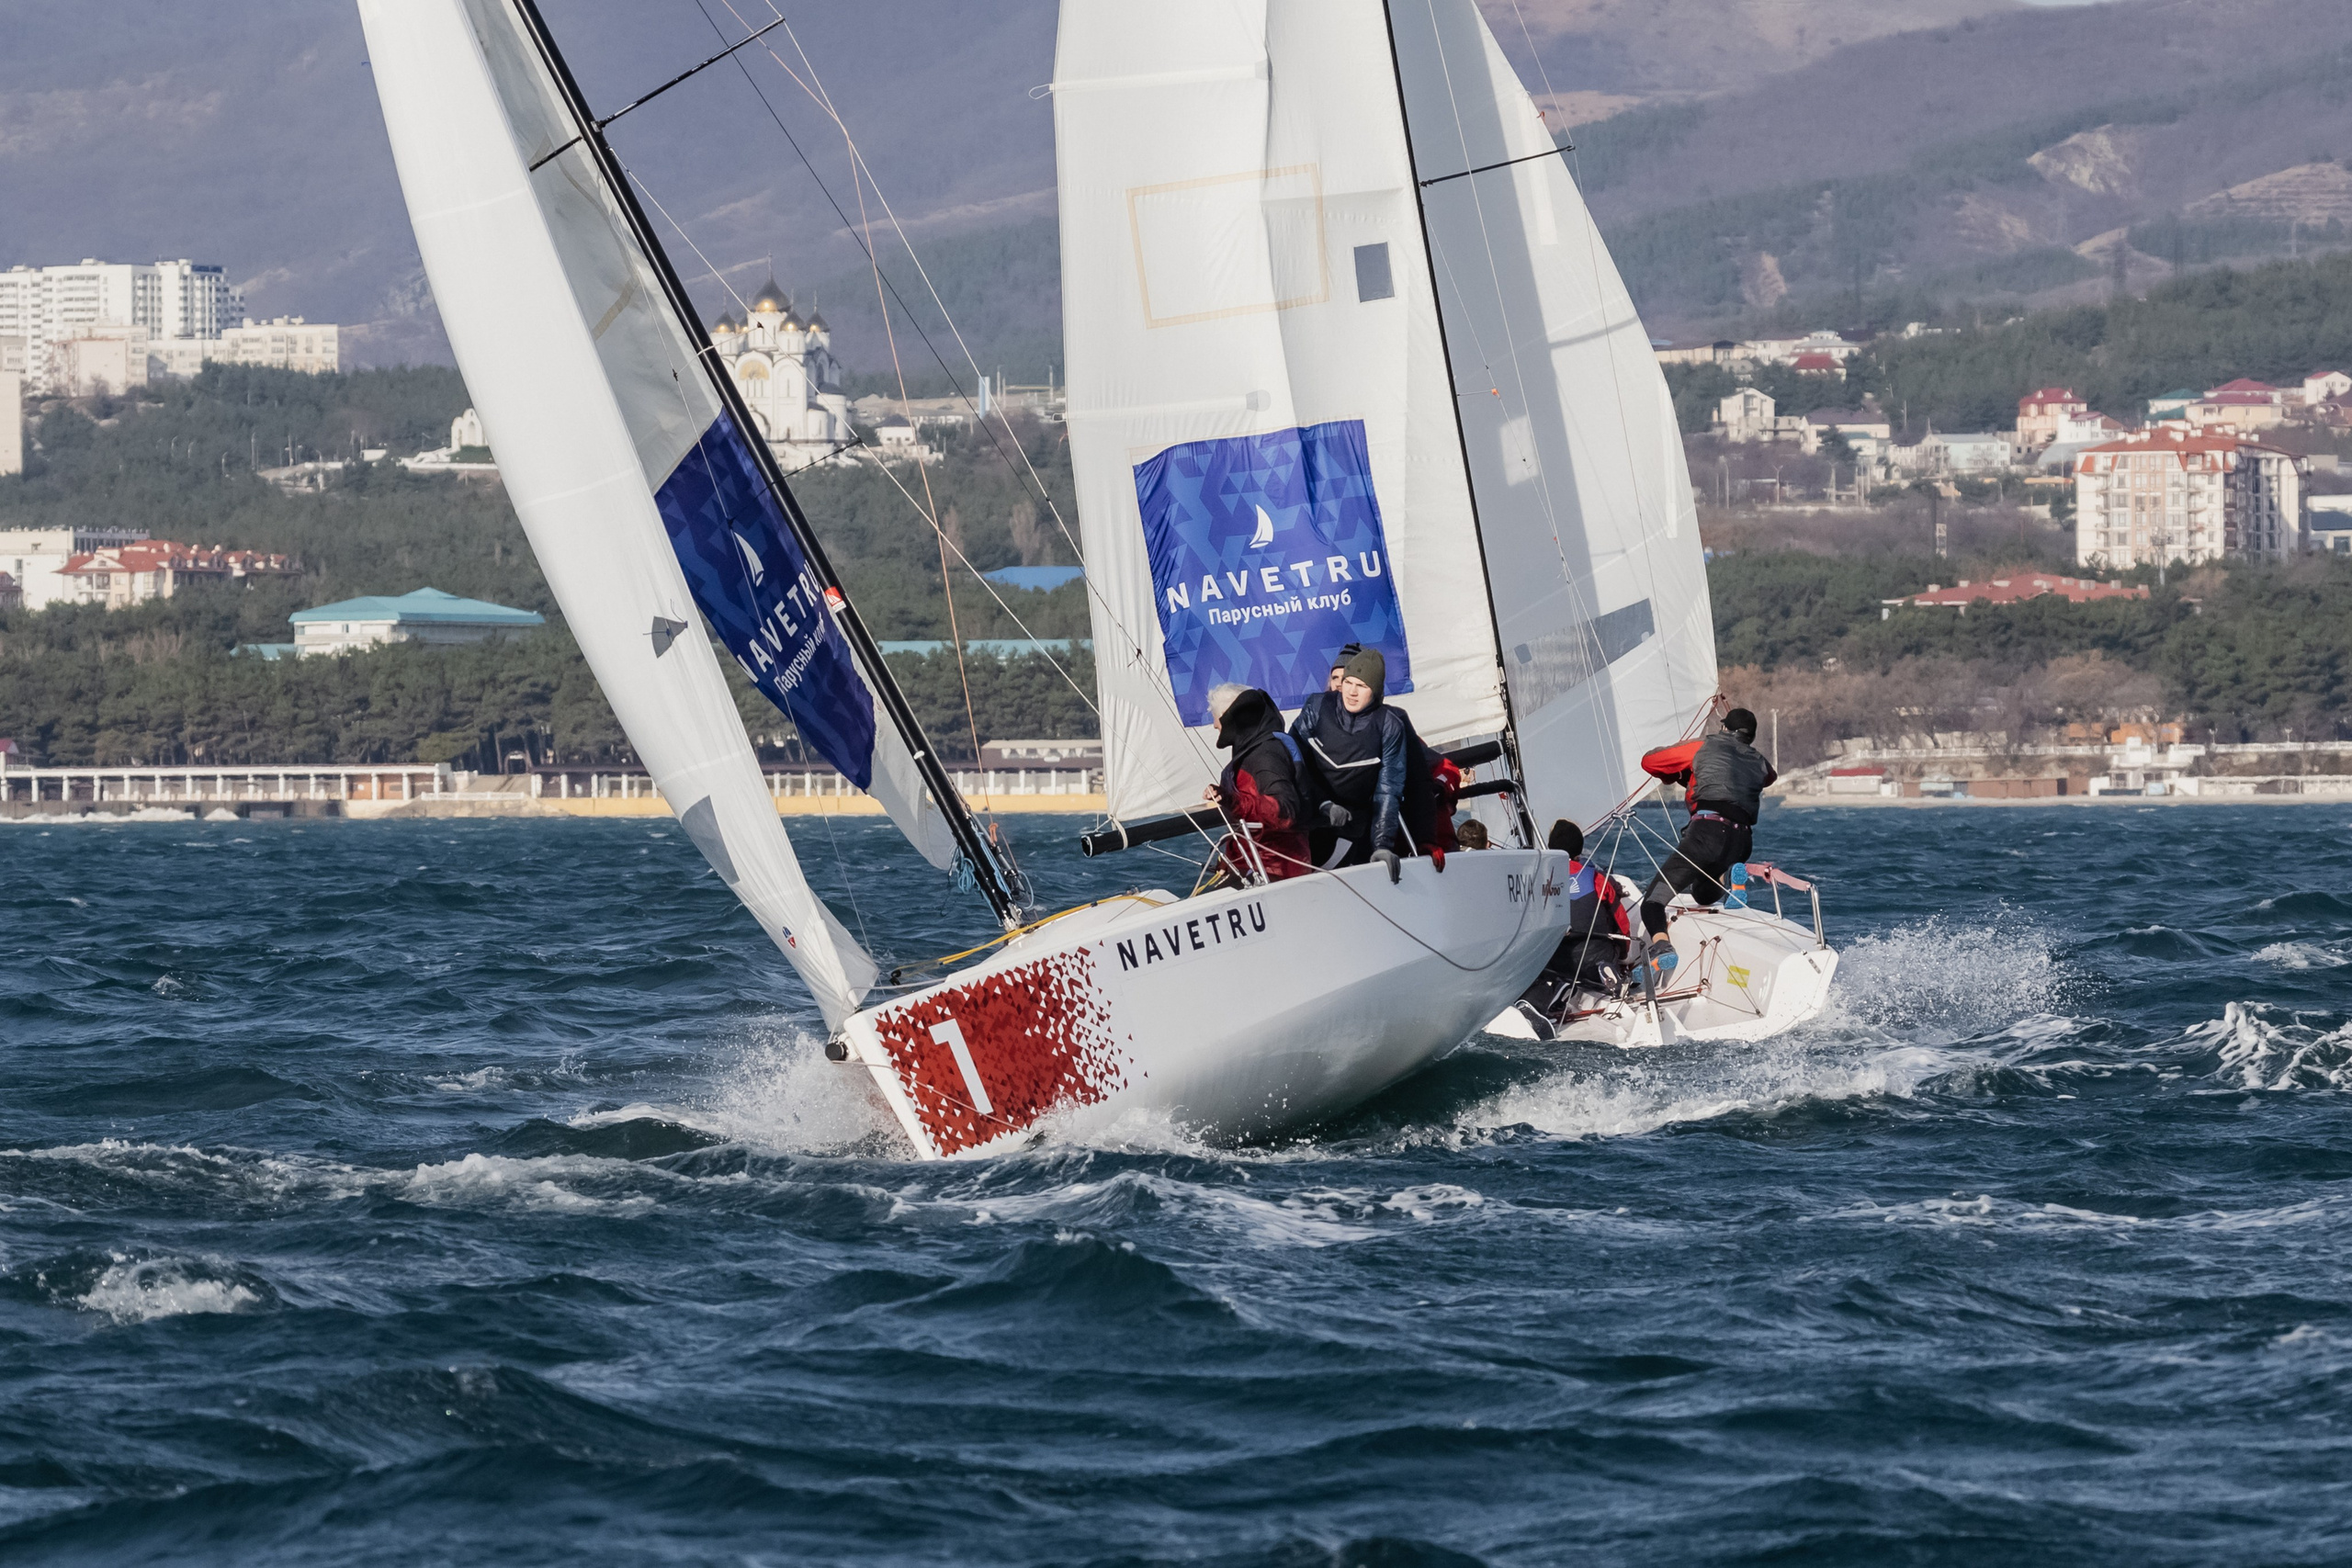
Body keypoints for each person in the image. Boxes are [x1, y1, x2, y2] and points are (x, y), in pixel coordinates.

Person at [1636, 707, 1776, 981]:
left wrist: (1676, 773)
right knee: (1701, 894)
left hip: (1708, 832)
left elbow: (1649, 761)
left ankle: (1662, 946)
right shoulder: (1760, 761)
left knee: (1652, 902)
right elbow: (1769, 778)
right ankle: (1728, 877)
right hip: (1742, 840)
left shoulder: (1704, 745)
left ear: (1724, 728)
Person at [1291, 648, 1439, 883]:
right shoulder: (1318, 706)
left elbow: (1389, 789)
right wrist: (1324, 804)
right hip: (1312, 817)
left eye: (1361, 686)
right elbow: (1293, 760)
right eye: (1348, 682)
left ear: (1376, 691)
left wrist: (1382, 844)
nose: (1351, 692)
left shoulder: (1390, 725)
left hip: (1354, 826)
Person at [1512, 820, 1633, 1036]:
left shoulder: (1537, 879)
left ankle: (1555, 988)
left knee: (1544, 973)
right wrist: (1623, 954)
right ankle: (1607, 971)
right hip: (1596, 953)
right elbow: (1621, 922)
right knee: (1603, 954)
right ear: (1579, 849)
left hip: (1555, 958)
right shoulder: (1597, 878)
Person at [1202, 684, 1309, 882]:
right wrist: (1230, 857)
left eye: (1215, 716)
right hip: (1252, 865)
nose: (1215, 725)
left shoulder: (1265, 755)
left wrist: (1230, 800)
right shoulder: (1254, 749)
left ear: (1228, 716)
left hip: (1275, 872)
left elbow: (1284, 810)